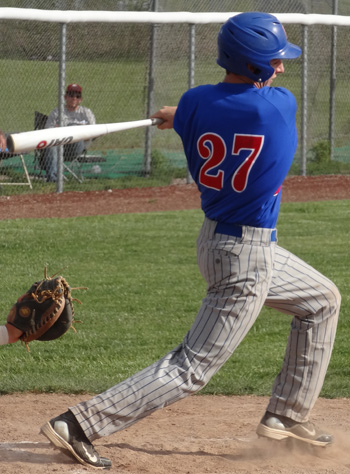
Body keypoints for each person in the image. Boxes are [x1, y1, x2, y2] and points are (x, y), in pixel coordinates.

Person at [40, 12, 341, 470]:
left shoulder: (197, 102)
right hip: (246, 257)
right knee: (191, 367)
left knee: (322, 300)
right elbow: (244, 107)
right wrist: (180, 117)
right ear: (256, 64)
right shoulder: (279, 106)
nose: (281, 68)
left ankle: (285, 416)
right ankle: (78, 424)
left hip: (222, 242)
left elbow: (213, 109)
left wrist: (177, 116)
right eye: (274, 61)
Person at [42, 83, 96, 182]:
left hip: (77, 147)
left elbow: (93, 133)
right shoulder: (56, 112)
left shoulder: (86, 113)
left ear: (81, 99)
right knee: (51, 145)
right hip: (59, 146)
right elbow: (47, 132)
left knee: (73, 127)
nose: (74, 98)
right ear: (65, 97)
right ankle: (53, 179)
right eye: (71, 95)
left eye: (77, 96)